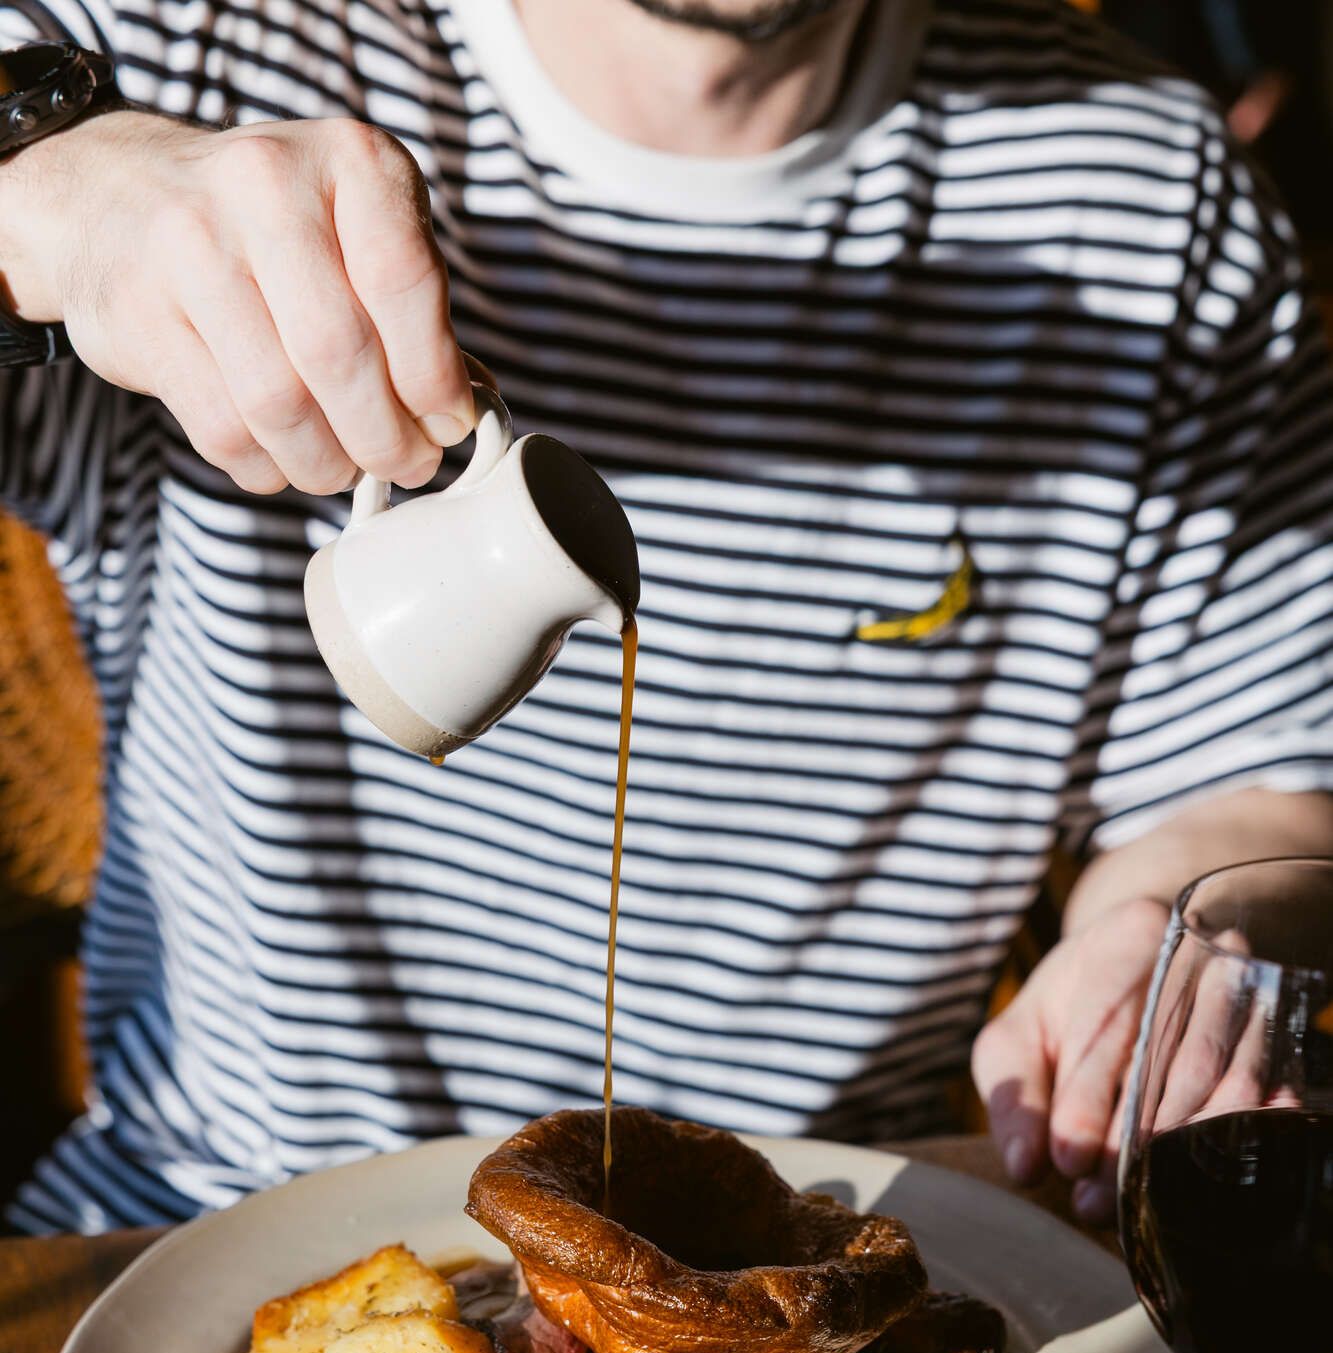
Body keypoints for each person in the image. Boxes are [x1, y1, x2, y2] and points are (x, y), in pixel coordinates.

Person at [0, 0, 1330, 1236]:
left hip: (816, 1237)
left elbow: (1247, 776)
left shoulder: (1143, 192)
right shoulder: (189, 49)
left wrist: (1172, 938)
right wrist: (67, 193)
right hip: (197, 1219)